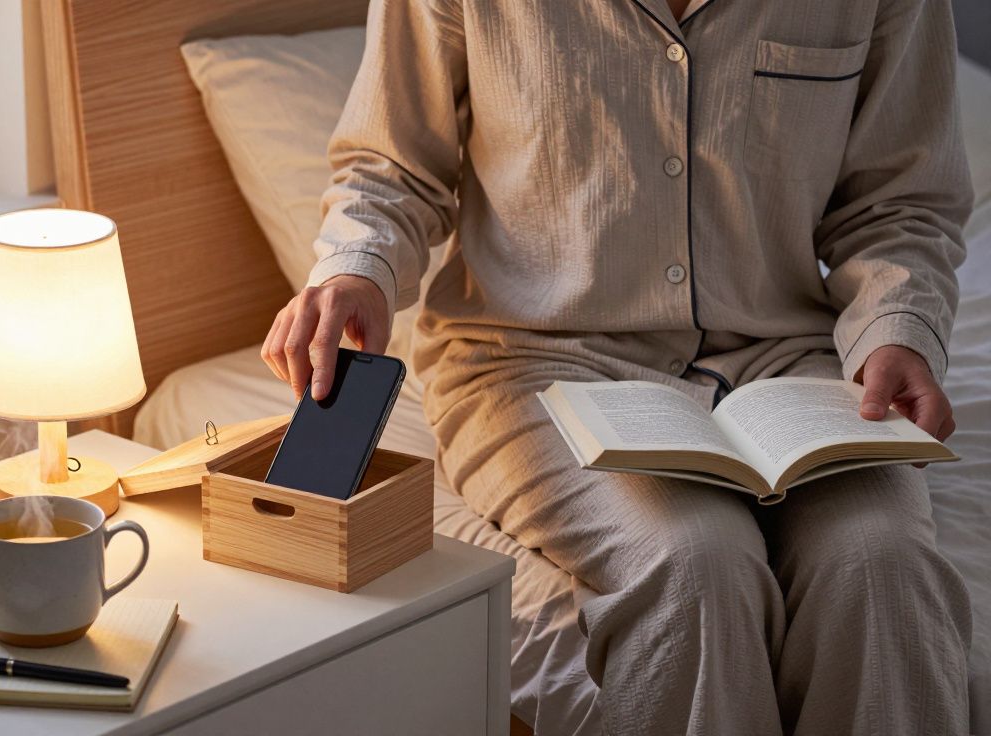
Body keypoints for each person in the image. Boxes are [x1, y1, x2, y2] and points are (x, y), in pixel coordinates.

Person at [259, 0, 974, 733]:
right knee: (695, 566)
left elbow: (901, 200)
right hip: (535, 357)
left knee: (884, 567)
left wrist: (897, 330)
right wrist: (357, 270)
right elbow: (392, 168)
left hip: (787, 357)